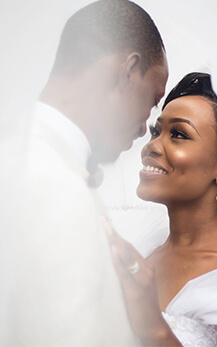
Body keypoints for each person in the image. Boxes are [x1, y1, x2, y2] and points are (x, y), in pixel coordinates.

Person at [1, 0, 168, 345]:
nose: (144, 129)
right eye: (152, 100)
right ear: (127, 71)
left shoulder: (30, 156)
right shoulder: (50, 181)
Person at [104, 72, 217, 346]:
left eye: (178, 134)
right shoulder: (142, 253)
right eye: (157, 131)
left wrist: (155, 330)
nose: (152, 146)